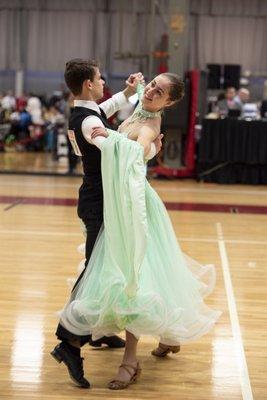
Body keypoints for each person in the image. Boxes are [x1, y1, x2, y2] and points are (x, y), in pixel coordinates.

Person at [59, 72, 221, 390]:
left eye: (159, 92)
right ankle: (168, 338)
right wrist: (128, 95)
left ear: (168, 102)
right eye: (152, 86)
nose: (151, 92)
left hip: (136, 205)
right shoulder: (137, 110)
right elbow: (116, 117)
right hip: (119, 200)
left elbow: (136, 152)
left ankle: (130, 362)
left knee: (137, 276)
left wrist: (113, 138)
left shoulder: (149, 125)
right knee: (135, 273)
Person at [50, 59, 161, 389]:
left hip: (95, 198)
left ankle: (98, 332)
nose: (103, 84)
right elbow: (120, 151)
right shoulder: (88, 124)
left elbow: (102, 109)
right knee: (95, 271)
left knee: (103, 265)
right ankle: (68, 343)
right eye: (99, 80)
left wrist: (127, 94)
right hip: (98, 202)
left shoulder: (85, 112)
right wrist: (151, 145)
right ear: (87, 84)